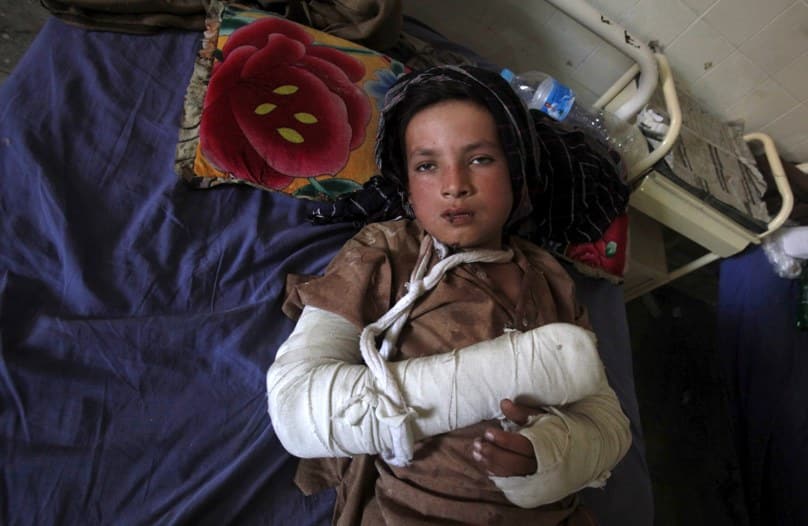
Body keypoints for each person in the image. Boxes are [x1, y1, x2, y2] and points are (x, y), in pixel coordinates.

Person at [267, 65, 631, 525]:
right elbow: (297, 408)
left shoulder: (549, 276)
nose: (454, 184)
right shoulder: (384, 250)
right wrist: (510, 374)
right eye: (427, 165)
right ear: (407, 185)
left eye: (480, 159)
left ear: (516, 170)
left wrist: (543, 456)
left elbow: (607, 428)